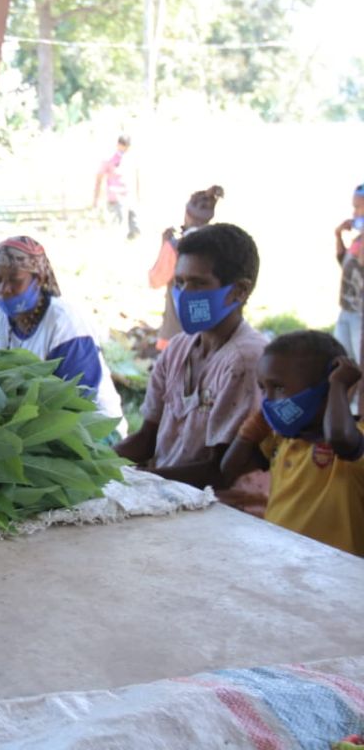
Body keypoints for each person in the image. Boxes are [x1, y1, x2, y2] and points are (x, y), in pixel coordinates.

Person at [115, 223, 266, 488]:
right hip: (170, 492)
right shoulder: (177, 348)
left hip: (226, 508)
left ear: (239, 291)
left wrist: (144, 480)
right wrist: (94, 462)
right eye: (180, 282)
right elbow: (147, 438)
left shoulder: (244, 359)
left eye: (198, 284)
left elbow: (220, 471)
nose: (184, 295)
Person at [222, 331, 364, 557]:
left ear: (325, 388)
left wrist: (338, 385)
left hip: (336, 576)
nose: (268, 399)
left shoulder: (353, 439)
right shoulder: (283, 440)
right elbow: (230, 468)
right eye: (262, 388)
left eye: (278, 388)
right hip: (281, 561)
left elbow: (340, 438)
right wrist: (256, 425)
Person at [0, 236, 123, 424]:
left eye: (15, 280)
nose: (4, 289)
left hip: (87, 425)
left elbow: (76, 398)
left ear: (38, 279)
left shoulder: (64, 323)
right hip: (24, 420)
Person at [148, 185, 224, 351]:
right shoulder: (220, 247)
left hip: (176, 337)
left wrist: (164, 246)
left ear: (187, 215)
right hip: (209, 338)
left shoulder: (175, 247)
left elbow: (155, 281)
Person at [333, 183, 364, 364]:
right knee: (344, 362)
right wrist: (338, 236)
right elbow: (344, 263)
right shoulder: (357, 240)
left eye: (359, 207)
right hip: (347, 309)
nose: (354, 213)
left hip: (361, 313)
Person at [92, 134, 140, 240]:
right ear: (118, 145)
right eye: (123, 145)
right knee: (118, 226)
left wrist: (137, 195)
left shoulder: (129, 159)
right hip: (115, 196)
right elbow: (99, 178)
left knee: (136, 229)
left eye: (127, 146)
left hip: (128, 196)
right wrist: (96, 198)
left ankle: (130, 245)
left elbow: (135, 177)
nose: (125, 148)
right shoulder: (109, 159)